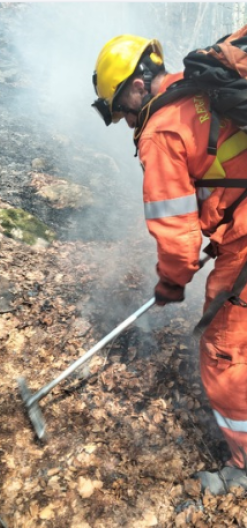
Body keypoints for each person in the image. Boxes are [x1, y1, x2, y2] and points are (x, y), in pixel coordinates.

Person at [93, 34, 247, 494]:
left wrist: (171, 284)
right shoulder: (202, 85)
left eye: (120, 107)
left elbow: (177, 240)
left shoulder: (160, 131)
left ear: (138, 85)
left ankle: (244, 467)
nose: (123, 120)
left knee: (224, 354)